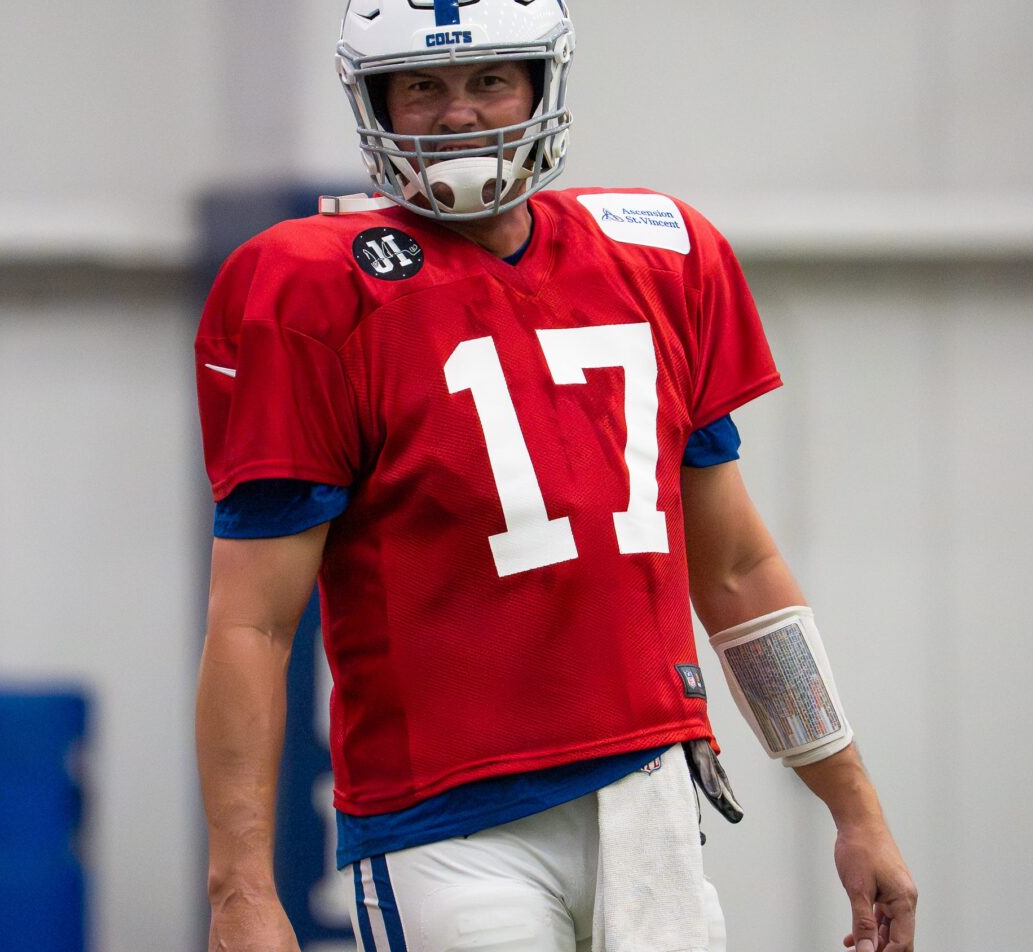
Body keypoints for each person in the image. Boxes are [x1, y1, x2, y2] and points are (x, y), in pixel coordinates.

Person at [193, 2, 918, 950]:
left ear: (543, 84)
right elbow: (253, 621)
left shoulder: (659, 256)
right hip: (446, 828)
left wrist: (853, 804)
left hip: (650, 797)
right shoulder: (314, 286)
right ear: (376, 102)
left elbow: (738, 573)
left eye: (490, 79)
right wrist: (240, 889)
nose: (459, 114)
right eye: (423, 86)